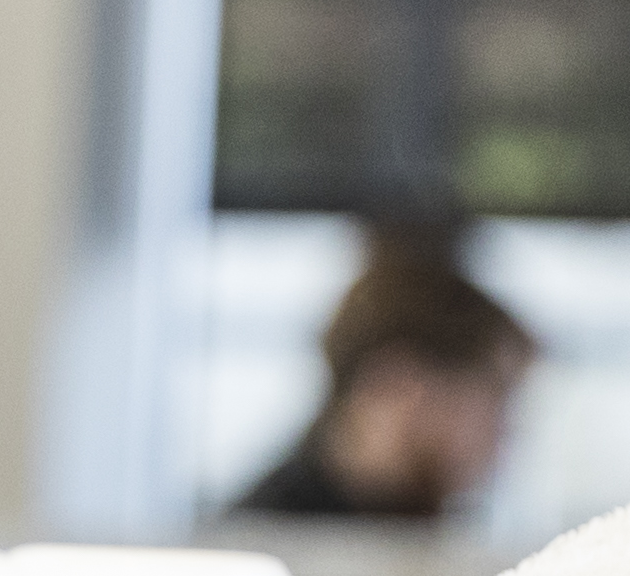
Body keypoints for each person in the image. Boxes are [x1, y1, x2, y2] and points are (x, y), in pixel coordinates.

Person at [229, 211, 541, 522]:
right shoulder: (269, 542)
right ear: (400, 385)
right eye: (499, 396)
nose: (509, 430)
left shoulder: (408, 526)